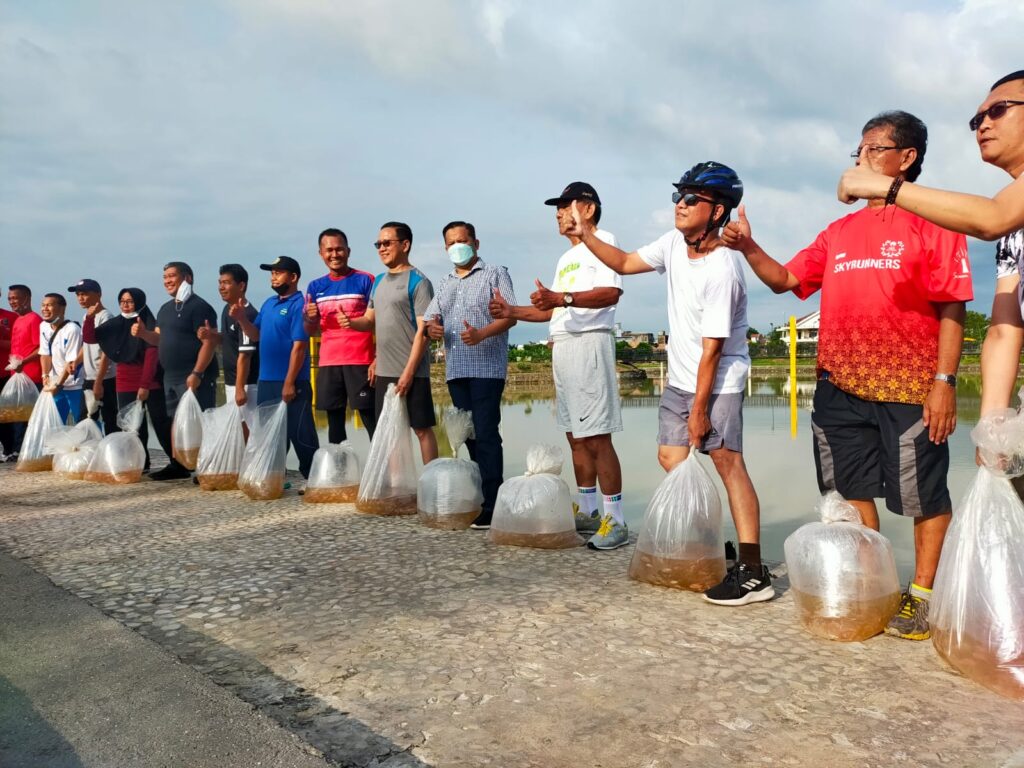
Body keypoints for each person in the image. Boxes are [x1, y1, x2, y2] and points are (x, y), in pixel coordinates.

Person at [723, 110, 973, 639]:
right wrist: (748, 247)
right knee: (849, 490)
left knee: (924, 496)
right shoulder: (838, 231)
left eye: (874, 149)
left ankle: (921, 595)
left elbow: (953, 308)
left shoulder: (937, 224)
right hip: (840, 385)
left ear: (906, 159)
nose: (860, 159)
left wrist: (944, 383)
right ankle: (873, 584)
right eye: (857, 150)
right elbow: (788, 279)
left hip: (910, 385)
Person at [568, 163, 771, 604]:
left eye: (692, 199)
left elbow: (713, 349)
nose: (680, 204)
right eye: (678, 196)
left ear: (717, 211)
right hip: (681, 376)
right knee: (670, 457)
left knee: (727, 463)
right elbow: (623, 262)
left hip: (718, 381)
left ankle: (754, 570)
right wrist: (586, 234)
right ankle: (716, 543)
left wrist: (700, 410)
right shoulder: (674, 246)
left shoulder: (724, 269)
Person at [837, 71, 1024, 430]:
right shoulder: (1012, 233)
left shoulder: (1001, 218)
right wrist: (991, 423)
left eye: (998, 110)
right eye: (976, 118)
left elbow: (991, 218)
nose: (982, 124)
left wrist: (883, 186)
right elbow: (1004, 329)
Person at [488, 182, 627, 550]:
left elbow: (610, 293)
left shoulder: (604, 243)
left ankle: (617, 519)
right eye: (557, 210)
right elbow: (552, 308)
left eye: (567, 207)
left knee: (597, 436)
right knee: (575, 436)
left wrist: (561, 297)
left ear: (590, 210)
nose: (560, 215)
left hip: (590, 344)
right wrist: (513, 311)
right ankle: (589, 510)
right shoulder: (566, 258)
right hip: (563, 348)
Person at [424, 221, 518, 529]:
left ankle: (494, 504)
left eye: (462, 241)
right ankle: (480, 495)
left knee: (487, 433)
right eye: (451, 242)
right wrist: (433, 329)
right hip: (456, 370)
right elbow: (431, 321)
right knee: (469, 436)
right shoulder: (445, 282)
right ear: (445, 248)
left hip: (487, 368)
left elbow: (509, 316)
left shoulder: (495, 274)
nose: (457, 247)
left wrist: (481, 334)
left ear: (476, 243)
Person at [341, 222, 438, 464]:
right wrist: (351, 323)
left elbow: (424, 332)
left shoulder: (419, 282)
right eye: (378, 244)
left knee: (422, 429)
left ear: (405, 245)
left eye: (387, 243)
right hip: (384, 372)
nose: (381, 248)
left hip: (413, 372)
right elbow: (370, 320)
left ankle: (430, 482)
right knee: (391, 432)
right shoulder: (379, 281)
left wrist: (408, 373)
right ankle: (398, 488)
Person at [230, 256, 319, 480]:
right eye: (272, 273)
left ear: (293, 277)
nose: (274, 277)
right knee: (269, 434)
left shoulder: (299, 304)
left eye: (278, 272)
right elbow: (256, 334)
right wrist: (242, 319)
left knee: (301, 433)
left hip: (292, 382)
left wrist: (289, 382)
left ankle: (313, 477)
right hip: (266, 380)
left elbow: (299, 347)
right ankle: (270, 476)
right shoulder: (269, 303)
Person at [132, 262, 219, 480]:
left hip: (195, 377)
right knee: (176, 424)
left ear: (187, 278)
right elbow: (159, 338)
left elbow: (209, 343)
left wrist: (197, 373)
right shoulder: (165, 309)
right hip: (170, 377)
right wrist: (143, 333)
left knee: (201, 423)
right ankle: (179, 465)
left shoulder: (200, 307)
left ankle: (207, 468)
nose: (167, 281)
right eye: (165, 277)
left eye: (172, 276)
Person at [304, 228, 377, 444]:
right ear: (320, 254)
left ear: (348, 251)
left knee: (370, 418)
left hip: (361, 360)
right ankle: (340, 472)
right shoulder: (315, 286)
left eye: (339, 249)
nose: (334, 255)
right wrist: (310, 319)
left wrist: (377, 357)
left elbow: (378, 321)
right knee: (334, 423)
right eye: (329, 250)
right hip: (329, 362)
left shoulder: (366, 280)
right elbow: (310, 330)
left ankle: (382, 474)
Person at [95, 288, 166, 472]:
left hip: (149, 380)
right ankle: (140, 462)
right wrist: (89, 317)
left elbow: (152, 355)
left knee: (159, 421)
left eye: (130, 301)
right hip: (124, 379)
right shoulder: (117, 324)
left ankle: (177, 461)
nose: (125, 305)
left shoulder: (147, 322)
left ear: (139, 302)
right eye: (122, 301)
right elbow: (92, 337)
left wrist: (145, 385)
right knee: (132, 425)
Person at [197, 265, 260, 430]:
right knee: (235, 431)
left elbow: (245, 355)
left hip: (248, 385)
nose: (221, 287)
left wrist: (240, 388)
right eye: (220, 283)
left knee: (247, 431)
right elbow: (227, 340)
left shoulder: (247, 314)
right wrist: (211, 336)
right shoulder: (227, 309)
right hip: (231, 383)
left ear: (241, 286)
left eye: (226, 283)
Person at [68, 279, 118, 434]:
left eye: (84, 294)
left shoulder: (106, 317)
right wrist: (76, 361)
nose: (80, 298)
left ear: (98, 294)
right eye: (78, 295)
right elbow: (87, 345)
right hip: (89, 376)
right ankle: (89, 454)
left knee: (110, 419)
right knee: (86, 418)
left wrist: (99, 381)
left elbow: (106, 353)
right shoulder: (86, 317)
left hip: (105, 378)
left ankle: (112, 453)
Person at [7, 284, 43, 458]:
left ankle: (25, 451)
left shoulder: (34, 319)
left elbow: (41, 348)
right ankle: (17, 449)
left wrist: (24, 361)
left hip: (32, 377)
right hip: (17, 376)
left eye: (15, 298)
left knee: (29, 417)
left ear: (27, 299)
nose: (12, 302)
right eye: (10, 299)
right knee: (17, 416)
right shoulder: (17, 320)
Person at [39, 293, 84, 424]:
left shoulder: (72, 330)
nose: (45, 309)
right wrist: (45, 375)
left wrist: (59, 384)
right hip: (56, 384)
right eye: (43, 305)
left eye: (49, 305)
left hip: (75, 385)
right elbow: (45, 353)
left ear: (62, 308)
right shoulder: (43, 326)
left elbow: (71, 362)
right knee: (54, 423)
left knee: (82, 421)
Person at [0, 299, 18, 456]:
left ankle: (9, 449)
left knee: (6, 415)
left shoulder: (11, 317)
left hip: (5, 373)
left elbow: (18, 344)